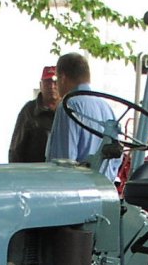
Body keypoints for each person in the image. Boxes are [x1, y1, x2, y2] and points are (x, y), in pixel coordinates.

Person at [45, 52, 120, 181]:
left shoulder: (69, 106)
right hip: (104, 188)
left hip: (78, 190)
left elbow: (63, 162)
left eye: (57, 80)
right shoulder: (106, 107)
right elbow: (116, 160)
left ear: (62, 77)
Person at [8, 66, 59, 163]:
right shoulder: (29, 111)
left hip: (62, 174)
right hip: (35, 173)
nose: (52, 86)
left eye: (55, 82)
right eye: (47, 82)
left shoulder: (68, 109)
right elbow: (15, 149)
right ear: (41, 85)